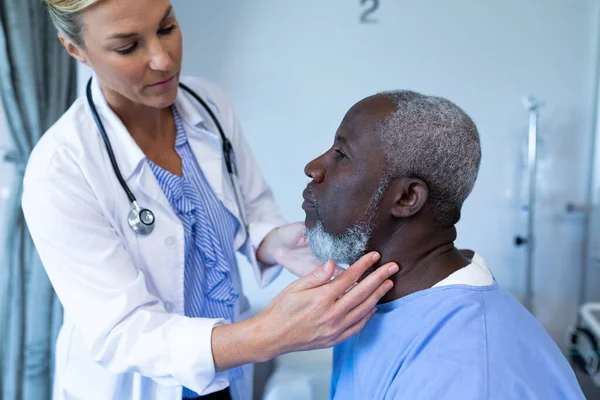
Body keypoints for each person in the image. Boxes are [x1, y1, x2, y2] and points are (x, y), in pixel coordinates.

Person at [20, 1, 399, 400]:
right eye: (128, 46)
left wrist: (272, 242)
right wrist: (268, 335)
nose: (163, 60)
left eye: (166, 27)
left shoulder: (209, 105)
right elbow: (122, 332)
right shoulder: (60, 170)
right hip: (143, 385)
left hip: (227, 370)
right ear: (75, 49)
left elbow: (251, 206)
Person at [302, 91, 586, 399]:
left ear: (407, 198)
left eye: (341, 155)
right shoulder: (374, 302)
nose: (313, 167)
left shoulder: (466, 372)